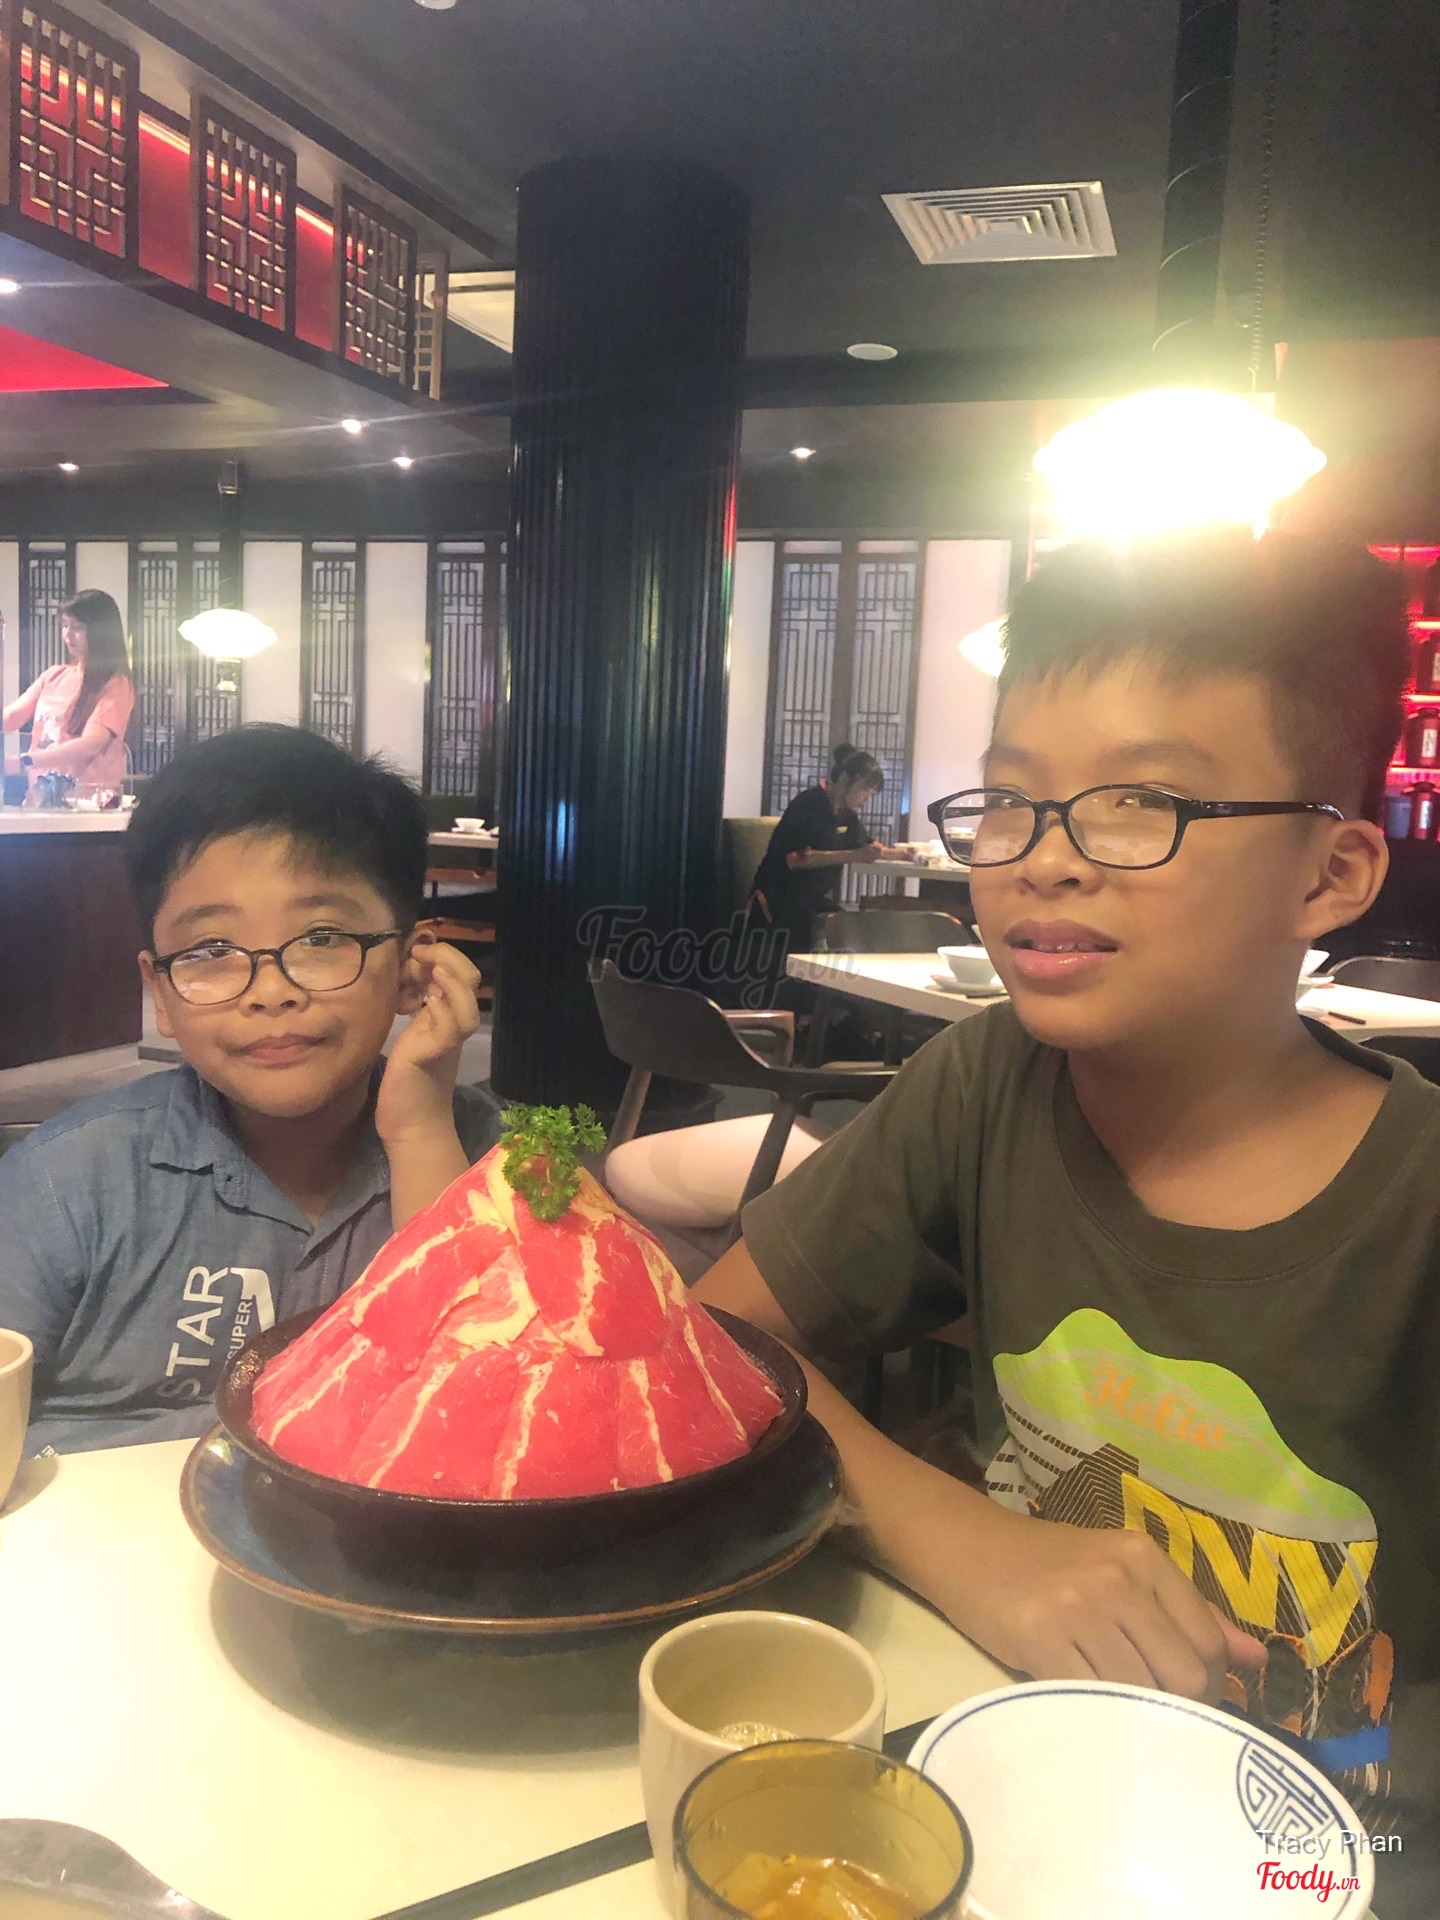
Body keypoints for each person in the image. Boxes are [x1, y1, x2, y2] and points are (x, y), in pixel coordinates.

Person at [697, 530, 1440, 1856]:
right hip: (1019, 1777)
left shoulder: (1415, 1206)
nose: (1042, 859)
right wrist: (963, 1537)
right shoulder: (990, 1080)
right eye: (1011, 799)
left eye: (1140, 803)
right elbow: (717, 1341)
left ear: (1329, 875)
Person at [0, 724, 500, 1453]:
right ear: (160, 993)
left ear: (409, 968)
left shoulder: (491, 1159)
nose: (270, 991)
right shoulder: (68, 1183)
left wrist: (422, 1132)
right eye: (211, 950)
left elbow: (482, 1410)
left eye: (322, 938)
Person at [748, 744, 912, 959]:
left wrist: (905, 854)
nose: (866, 799)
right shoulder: (808, 804)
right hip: (779, 897)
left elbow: (867, 847)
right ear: (844, 779)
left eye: (871, 794)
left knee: (850, 930)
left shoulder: (846, 814)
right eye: (864, 790)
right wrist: (854, 856)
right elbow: (796, 859)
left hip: (814, 899)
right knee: (815, 931)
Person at [1, 589, 136, 802]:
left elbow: (90, 744)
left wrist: (22, 762)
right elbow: (10, 718)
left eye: (78, 627)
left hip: (87, 803)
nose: (68, 634)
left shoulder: (116, 684)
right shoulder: (54, 675)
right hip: (41, 798)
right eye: (65, 625)